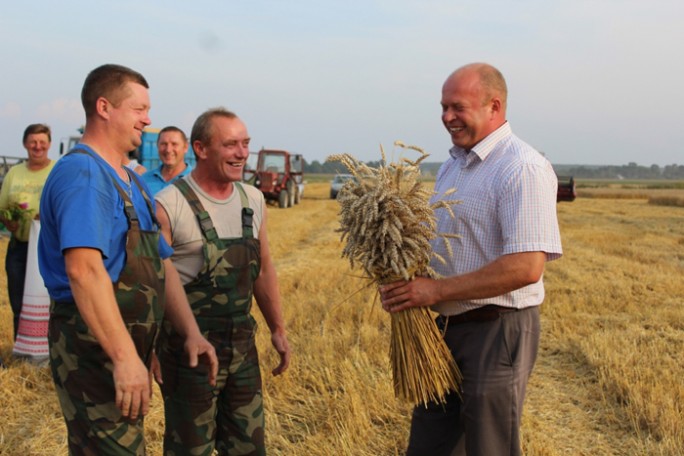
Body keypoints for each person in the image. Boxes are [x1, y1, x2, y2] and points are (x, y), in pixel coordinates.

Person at [379, 63, 563, 456]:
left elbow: (527, 267)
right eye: (443, 107)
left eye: (457, 107)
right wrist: (408, 282)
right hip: (443, 330)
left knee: (488, 447)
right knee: (430, 445)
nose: (447, 117)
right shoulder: (453, 166)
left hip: (496, 332)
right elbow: (451, 246)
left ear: (494, 106)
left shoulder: (521, 168)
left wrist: (436, 289)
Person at [38, 63, 218, 455]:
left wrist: (190, 332)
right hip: (93, 348)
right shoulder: (84, 174)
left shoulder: (130, 179)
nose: (148, 119)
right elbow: (84, 271)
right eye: (139, 109)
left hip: (123, 344)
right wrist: (123, 355)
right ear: (104, 107)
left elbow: (160, 263)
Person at [154, 107, 291, 455]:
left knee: (248, 446)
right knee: (190, 448)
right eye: (231, 145)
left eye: (245, 143)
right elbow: (154, 285)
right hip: (189, 353)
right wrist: (150, 349)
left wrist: (277, 328)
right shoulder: (168, 204)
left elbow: (263, 268)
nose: (242, 153)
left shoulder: (252, 199)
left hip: (242, 347)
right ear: (200, 149)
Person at [0, 123, 55, 342]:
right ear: (25, 144)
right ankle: (21, 347)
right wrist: (8, 221)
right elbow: (3, 208)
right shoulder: (15, 173)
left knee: (48, 300)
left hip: (48, 250)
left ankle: (47, 348)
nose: (38, 146)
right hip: (19, 247)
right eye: (33, 142)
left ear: (49, 144)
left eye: (42, 142)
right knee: (17, 300)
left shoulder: (56, 171)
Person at [141, 126, 192, 195]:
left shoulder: (196, 182)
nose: (168, 150)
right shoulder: (143, 180)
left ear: (185, 147)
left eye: (174, 144)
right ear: (157, 146)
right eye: (164, 144)